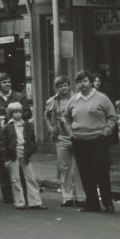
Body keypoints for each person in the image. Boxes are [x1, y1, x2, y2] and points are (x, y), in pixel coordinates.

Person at [66, 70, 118, 214]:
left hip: (98, 140)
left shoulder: (102, 98)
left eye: (84, 81)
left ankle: (107, 203)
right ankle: (92, 203)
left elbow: (112, 116)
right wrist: (71, 132)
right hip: (79, 141)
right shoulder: (73, 100)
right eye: (78, 82)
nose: (81, 85)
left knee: (102, 171)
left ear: (90, 82)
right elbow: (66, 118)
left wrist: (106, 131)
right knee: (85, 172)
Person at [44, 76, 82, 208]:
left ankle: (80, 197)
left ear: (69, 85)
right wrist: (50, 128)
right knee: (64, 168)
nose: (63, 88)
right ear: (56, 88)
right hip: (61, 137)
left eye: (65, 85)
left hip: (76, 136)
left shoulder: (77, 98)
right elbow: (46, 115)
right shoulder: (52, 101)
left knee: (78, 167)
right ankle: (67, 197)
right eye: (60, 86)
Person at [0, 102, 45, 210]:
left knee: (31, 178)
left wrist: (31, 149)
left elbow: (32, 140)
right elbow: (2, 145)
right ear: (10, 114)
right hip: (13, 154)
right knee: (15, 179)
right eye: (15, 112)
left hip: (25, 154)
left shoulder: (28, 125)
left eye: (19, 112)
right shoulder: (6, 127)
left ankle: (35, 202)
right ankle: (19, 202)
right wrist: (5, 159)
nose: (18, 114)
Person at [0, 72, 22, 204]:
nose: (7, 84)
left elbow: (27, 112)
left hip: (17, 134)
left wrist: (14, 115)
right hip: (1, 136)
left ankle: (20, 193)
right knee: (4, 165)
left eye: (8, 82)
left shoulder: (18, 96)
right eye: (4, 82)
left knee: (19, 163)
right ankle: (7, 196)